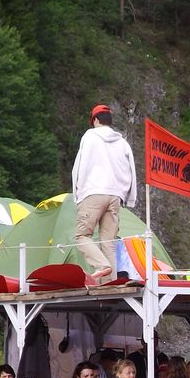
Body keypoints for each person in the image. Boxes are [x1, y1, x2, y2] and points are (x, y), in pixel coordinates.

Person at [71, 103, 137, 282]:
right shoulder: (122, 143)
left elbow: (79, 166)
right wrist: (128, 197)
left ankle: (102, 266)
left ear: (96, 120)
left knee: (81, 235)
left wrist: (78, 194)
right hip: (115, 196)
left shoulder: (90, 136)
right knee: (108, 242)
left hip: (93, 192)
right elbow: (130, 170)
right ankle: (111, 284)